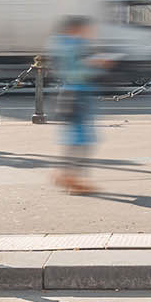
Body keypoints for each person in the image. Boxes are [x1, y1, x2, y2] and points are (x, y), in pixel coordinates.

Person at [49, 14, 102, 195]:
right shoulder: (74, 45)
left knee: (75, 137)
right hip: (78, 94)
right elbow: (77, 72)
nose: (91, 32)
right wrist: (95, 64)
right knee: (81, 139)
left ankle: (66, 175)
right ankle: (73, 178)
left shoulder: (60, 44)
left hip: (70, 93)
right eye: (87, 29)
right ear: (76, 29)